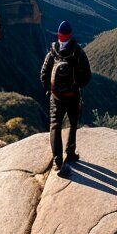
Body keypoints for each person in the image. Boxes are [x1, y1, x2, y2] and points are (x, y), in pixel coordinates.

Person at [40, 20, 91, 173]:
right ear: (71, 35)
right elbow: (87, 75)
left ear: (59, 35)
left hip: (56, 97)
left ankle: (57, 162)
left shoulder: (52, 52)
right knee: (73, 123)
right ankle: (70, 153)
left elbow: (43, 74)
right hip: (72, 95)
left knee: (55, 126)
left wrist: (50, 89)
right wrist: (77, 87)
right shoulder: (77, 52)